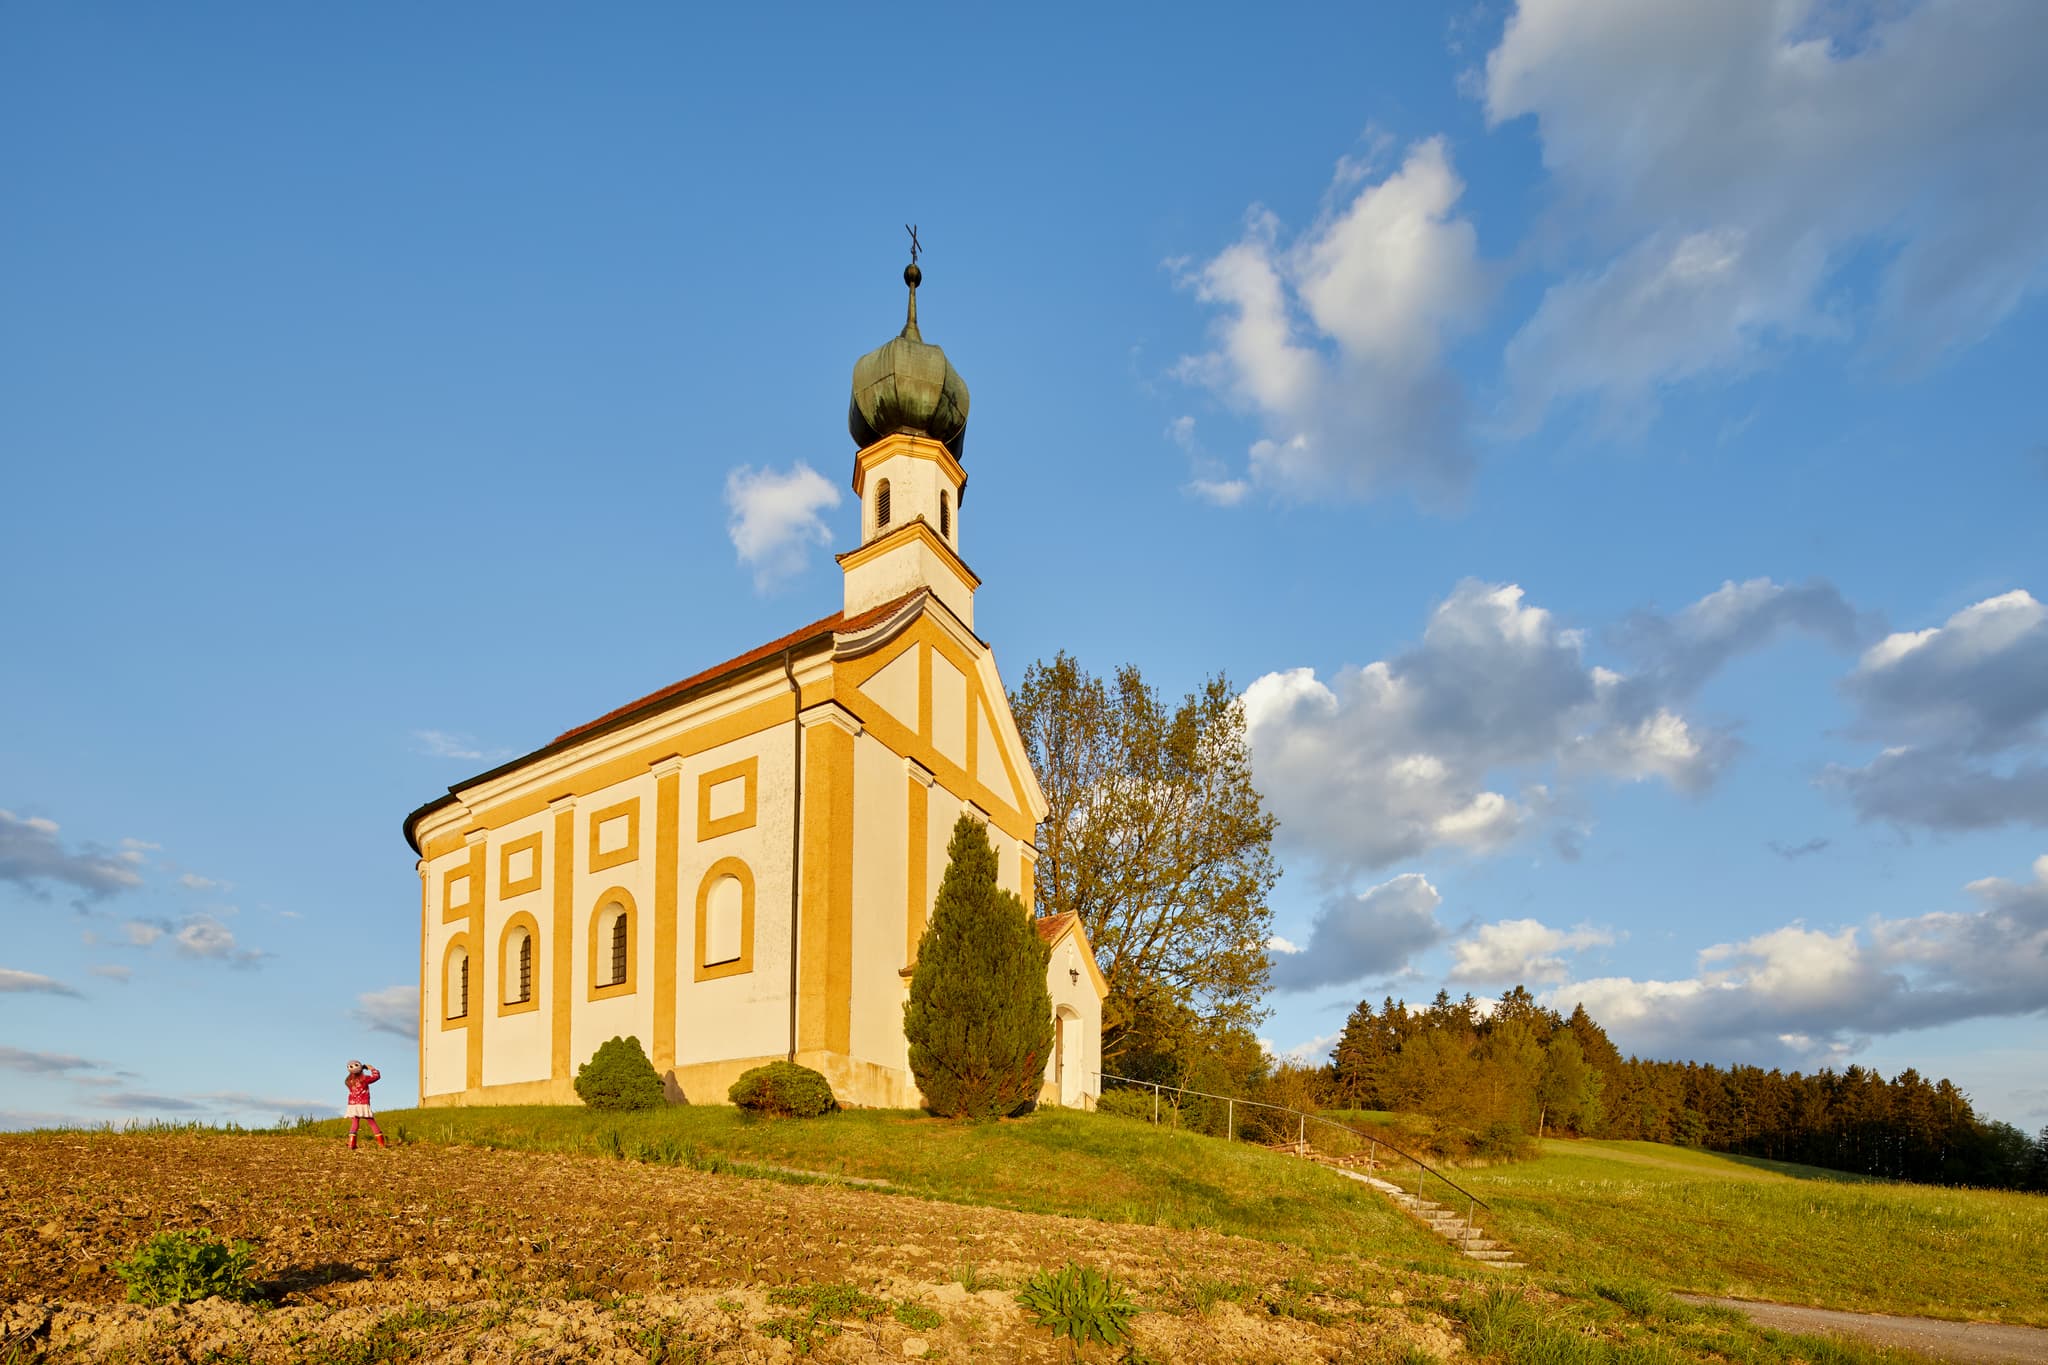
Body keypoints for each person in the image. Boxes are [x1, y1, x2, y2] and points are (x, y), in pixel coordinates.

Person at [344, 1059, 386, 1150]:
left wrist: (360, 1069)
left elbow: (354, 1075)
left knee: (355, 1123)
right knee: (372, 1122)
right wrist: (371, 1068)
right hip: (363, 1103)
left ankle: (351, 1144)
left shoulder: (348, 1081)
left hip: (352, 1104)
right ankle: (381, 1144)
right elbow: (376, 1076)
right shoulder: (365, 1079)